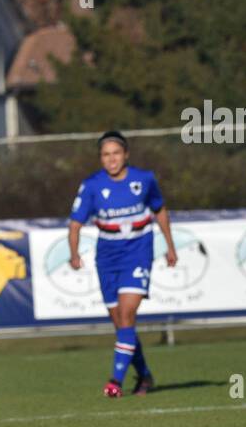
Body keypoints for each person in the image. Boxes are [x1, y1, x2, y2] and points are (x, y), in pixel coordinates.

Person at [67, 130, 177, 398]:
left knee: (127, 316)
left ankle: (115, 381)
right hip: (107, 257)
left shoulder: (145, 179)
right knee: (121, 325)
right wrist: (74, 253)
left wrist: (170, 246)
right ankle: (145, 376)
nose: (111, 159)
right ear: (100, 158)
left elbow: (159, 209)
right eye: (106, 155)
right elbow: (75, 223)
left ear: (126, 154)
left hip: (138, 252)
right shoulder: (92, 185)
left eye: (116, 153)